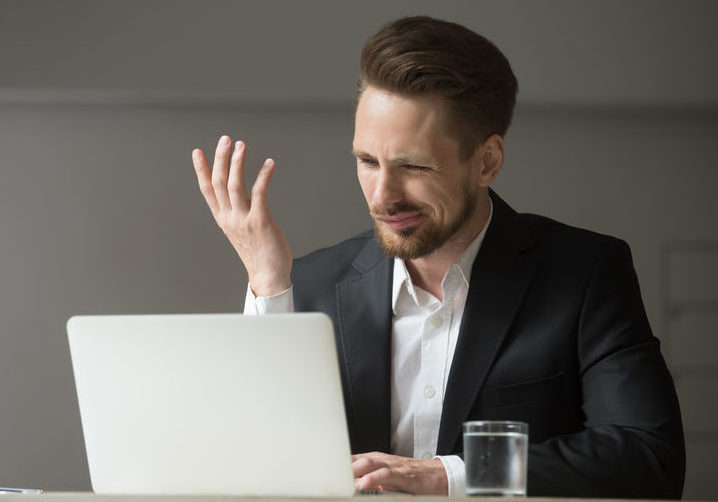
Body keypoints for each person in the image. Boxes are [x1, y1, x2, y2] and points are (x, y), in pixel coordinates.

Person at [191, 16, 684, 498]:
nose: (383, 195)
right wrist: (269, 285)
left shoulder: (585, 274)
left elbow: (647, 457)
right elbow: (256, 458)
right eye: (367, 161)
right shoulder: (306, 284)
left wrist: (447, 475)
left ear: (487, 161)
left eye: (413, 166)